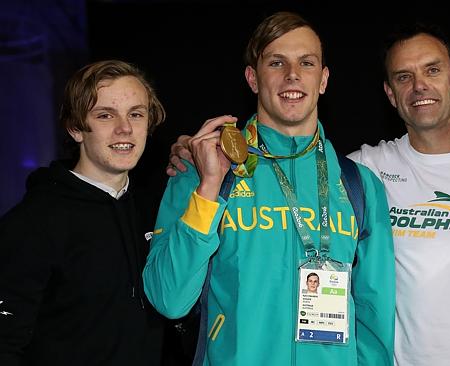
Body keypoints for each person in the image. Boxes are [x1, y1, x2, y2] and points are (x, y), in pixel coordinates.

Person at [166, 22, 450, 366]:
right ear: (390, 95)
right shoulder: (366, 172)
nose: (420, 87)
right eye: (403, 77)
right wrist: (193, 158)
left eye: (432, 70)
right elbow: (300, 168)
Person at [143, 11, 395, 366]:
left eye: (306, 63)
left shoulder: (359, 185)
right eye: (276, 62)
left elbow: (375, 315)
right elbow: (168, 299)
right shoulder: (202, 171)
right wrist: (209, 187)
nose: (292, 75)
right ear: (252, 78)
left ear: (323, 79)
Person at [0, 60, 166, 365]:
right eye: (105, 115)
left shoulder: (155, 209)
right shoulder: (33, 221)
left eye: (136, 114)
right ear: (75, 128)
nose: (125, 128)